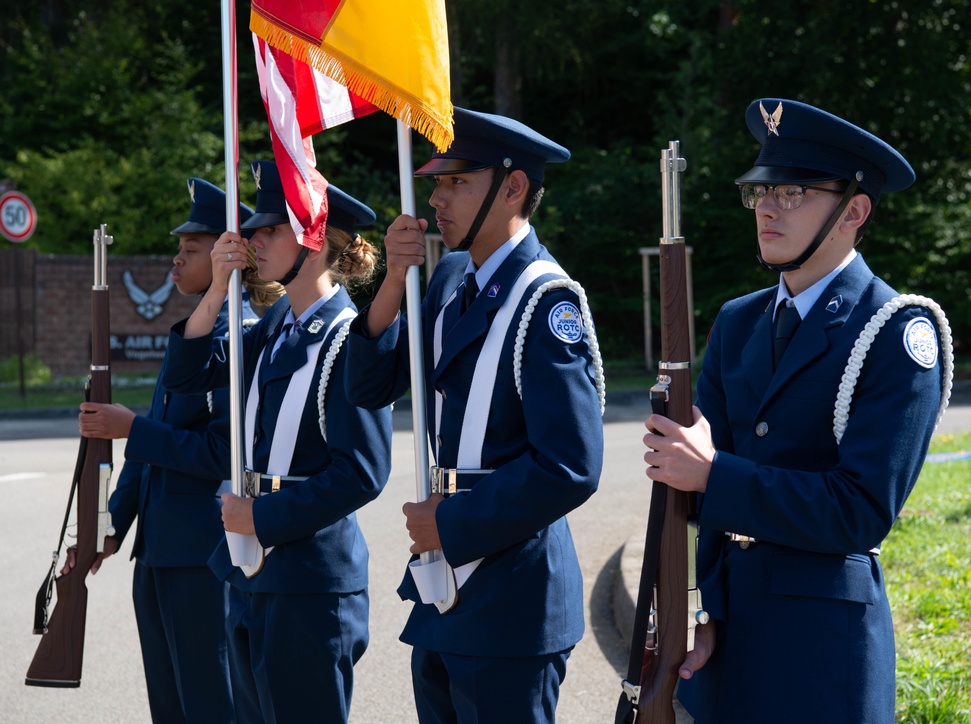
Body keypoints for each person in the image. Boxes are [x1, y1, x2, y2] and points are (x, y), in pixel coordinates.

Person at [642, 98, 952, 723]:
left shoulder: (895, 331)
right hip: (730, 645)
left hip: (823, 653)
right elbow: (702, 504)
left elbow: (859, 511)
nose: (766, 208)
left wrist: (712, 474)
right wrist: (705, 611)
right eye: (761, 191)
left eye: (793, 192)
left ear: (853, 211)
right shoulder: (739, 321)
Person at [344, 108, 605, 723]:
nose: (436, 198)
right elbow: (369, 385)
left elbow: (571, 466)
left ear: (513, 188)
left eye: (455, 182)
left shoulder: (547, 300)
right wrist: (394, 280)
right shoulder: (452, 277)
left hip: (512, 593)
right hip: (443, 588)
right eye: (435, 182)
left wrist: (453, 523)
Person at [161, 159, 393, 724]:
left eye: (270, 229)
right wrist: (218, 287)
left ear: (313, 240)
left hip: (309, 578)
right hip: (252, 567)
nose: (252, 238)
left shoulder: (348, 337)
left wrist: (262, 519)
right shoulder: (275, 325)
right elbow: (187, 376)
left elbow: (363, 472)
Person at [66, 177, 281, 723]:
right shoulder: (191, 332)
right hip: (159, 551)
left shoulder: (241, 337)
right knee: (171, 705)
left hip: (206, 554)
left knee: (212, 703)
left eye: (190, 250)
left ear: (226, 254)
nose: (175, 262)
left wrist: (131, 428)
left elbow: (220, 453)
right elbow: (152, 447)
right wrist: (111, 525)